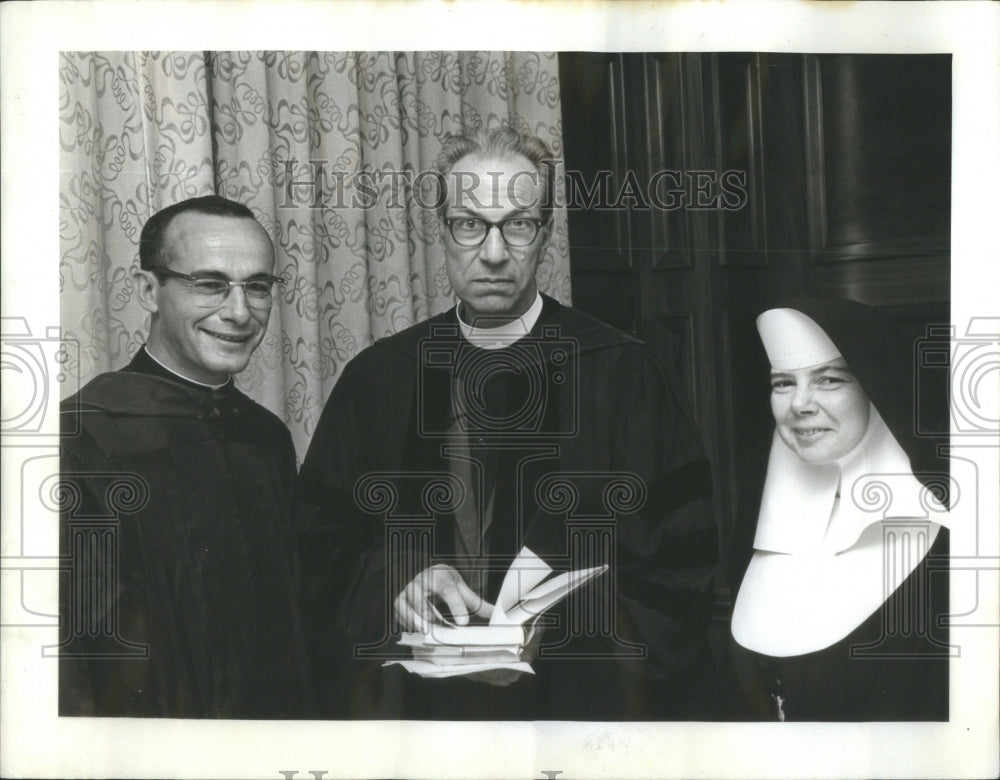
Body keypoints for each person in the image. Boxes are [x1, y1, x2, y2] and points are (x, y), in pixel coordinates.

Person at [298, 128, 718, 720]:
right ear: (441, 232)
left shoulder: (623, 375)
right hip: (422, 718)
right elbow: (322, 549)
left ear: (544, 235)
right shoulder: (380, 379)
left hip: (574, 710)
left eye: (517, 224)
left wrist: (568, 623)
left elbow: (683, 568)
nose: (492, 253)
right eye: (470, 225)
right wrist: (397, 582)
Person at [58, 195, 312, 718]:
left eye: (257, 287)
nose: (239, 312)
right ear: (149, 290)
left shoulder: (265, 439)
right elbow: (65, 660)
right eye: (210, 284)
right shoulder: (82, 438)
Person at [727, 298, 950, 721]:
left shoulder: (948, 545)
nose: (799, 404)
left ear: (875, 385)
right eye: (783, 383)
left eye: (828, 380)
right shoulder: (759, 522)